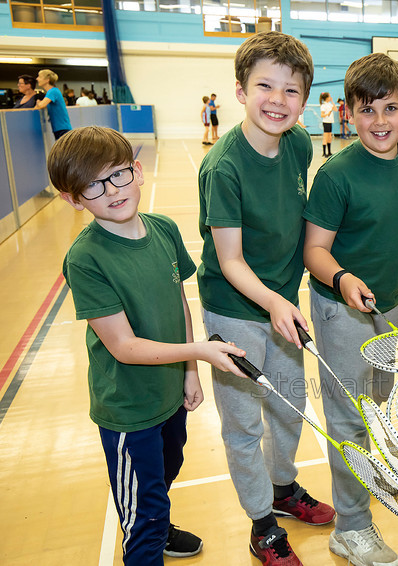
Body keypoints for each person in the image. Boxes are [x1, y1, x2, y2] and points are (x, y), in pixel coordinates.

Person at [49, 126, 248, 565]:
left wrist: (190, 372)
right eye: (93, 186)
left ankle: (156, 523)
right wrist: (197, 353)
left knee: (163, 475)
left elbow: (179, 300)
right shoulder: (86, 259)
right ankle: (147, 537)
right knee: (144, 516)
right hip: (128, 410)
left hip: (168, 394)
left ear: (137, 171)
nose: (112, 191)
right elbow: (123, 347)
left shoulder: (163, 229)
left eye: (119, 175)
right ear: (73, 198)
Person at [197, 31, 335, 566]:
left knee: (289, 406)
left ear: (304, 99)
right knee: (243, 424)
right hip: (236, 310)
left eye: (291, 91)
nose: (278, 100)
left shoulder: (299, 144)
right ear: (240, 90)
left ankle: (283, 491)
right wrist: (274, 302)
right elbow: (229, 261)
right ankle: (261, 526)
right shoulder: (224, 166)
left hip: (284, 301)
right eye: (265, 86)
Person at [303, 52, 398, 566]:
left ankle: (366, 499)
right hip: (341, 308)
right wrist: (343, 278)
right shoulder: (337, 174)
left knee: (376, 412)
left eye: (390, 108)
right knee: (348, 421)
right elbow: (315, 250)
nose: (380, 122)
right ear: (348, 114)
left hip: (390, 309)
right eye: (367, 110)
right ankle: (352, 528)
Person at [34, 69, 72, 140]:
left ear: (47, 80)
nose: (37, 78)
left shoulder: (53, 91)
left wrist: (38, 102)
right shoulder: (51, 92)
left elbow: (41, 105)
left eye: (39, 76)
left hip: (62, 129)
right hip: (59, 128)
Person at [320, 91, 336, 157]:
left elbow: (335, 109)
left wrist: (332, 101)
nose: (330, 97)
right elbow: (322, 115)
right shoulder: (323, 105)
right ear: (326, 98)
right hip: (326, 123)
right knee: (325, 137)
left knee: (329, 137)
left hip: (330, 122)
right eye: (329, 96)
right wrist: (327, 114)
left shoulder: (330, 104)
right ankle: (324, 153)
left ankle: (329, 152)